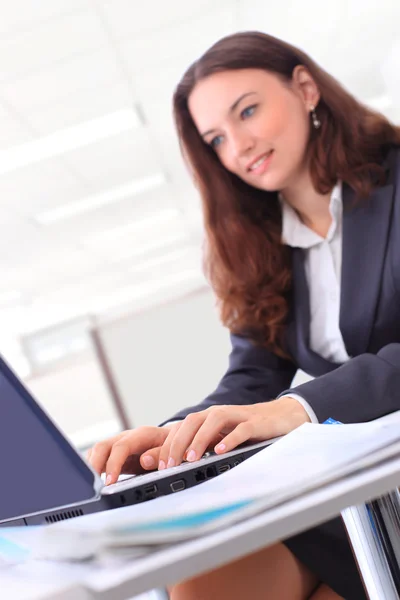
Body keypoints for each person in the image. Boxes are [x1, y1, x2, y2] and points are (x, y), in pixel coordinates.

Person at [87, 30, 400, 599]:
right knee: (202, 586)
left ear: (305, 89)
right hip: (355, 484)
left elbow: (285, 398)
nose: (238, 147)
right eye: (216, 138)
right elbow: (251, 377)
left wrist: (298, 408)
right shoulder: (261, 245)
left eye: (248, 111)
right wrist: (171, 439)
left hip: (387, 476)